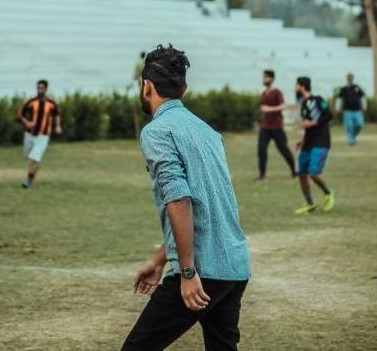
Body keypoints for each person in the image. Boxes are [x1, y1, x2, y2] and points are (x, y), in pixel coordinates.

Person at [122, 44, 251, 351]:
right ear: (184, 88)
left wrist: (187, 271)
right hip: (234, 267)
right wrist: (159, 260)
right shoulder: (208, 132)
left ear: (146, 86)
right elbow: (206, 206)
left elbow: (180, 200)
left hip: (202, 270)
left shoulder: (157, 131)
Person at [294, 77, 335, 215]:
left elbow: (329, 115)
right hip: (308, 143)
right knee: (301, 174)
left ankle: (328, 193)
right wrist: (302, 141)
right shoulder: (303, 104)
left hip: (321, 142)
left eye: (296, 85)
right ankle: (309, 203)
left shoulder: (318, 100)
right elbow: (307, 127)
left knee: (313, 173)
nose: (295, 88)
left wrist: (313, 123)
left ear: (302, 86)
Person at [17, 80, 61, 188]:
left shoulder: (51, 103)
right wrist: (27, 123)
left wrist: (58, 126)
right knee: (28, 156)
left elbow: (57, 114)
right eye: (38, 88)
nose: (39, 90)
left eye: (42, 88)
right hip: (29, 134)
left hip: (43, 136)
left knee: (35, 158)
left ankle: (28, 180)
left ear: (46, 89)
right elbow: (19, 113)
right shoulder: (31, 101)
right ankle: (33, 172)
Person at [257, 70, 297, 181]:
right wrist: (265, 110)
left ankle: (295, 171)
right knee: (261, 150)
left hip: (277, 127)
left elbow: (283, 106)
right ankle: (262, 175)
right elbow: (262, 108)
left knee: (283, 149)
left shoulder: (277, 92)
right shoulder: (264, 93)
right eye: (263, 77)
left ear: (272, 78)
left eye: (266, 77)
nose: (264, 79)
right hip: (265, 127)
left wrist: (269, 109)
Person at [337, 73, 366, 146]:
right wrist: (337, 107)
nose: (350, 78)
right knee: (349, 126)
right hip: (347, 111)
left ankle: (352, 136)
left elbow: (362, 97)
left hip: (357, 110)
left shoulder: (357, 87)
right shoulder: (343, 89)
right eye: (348, 77)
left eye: (351, 77)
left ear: (353, 78)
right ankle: (351, 141)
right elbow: (339, 99)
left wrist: (364, 105)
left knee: (360, 124)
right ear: (347, 78)